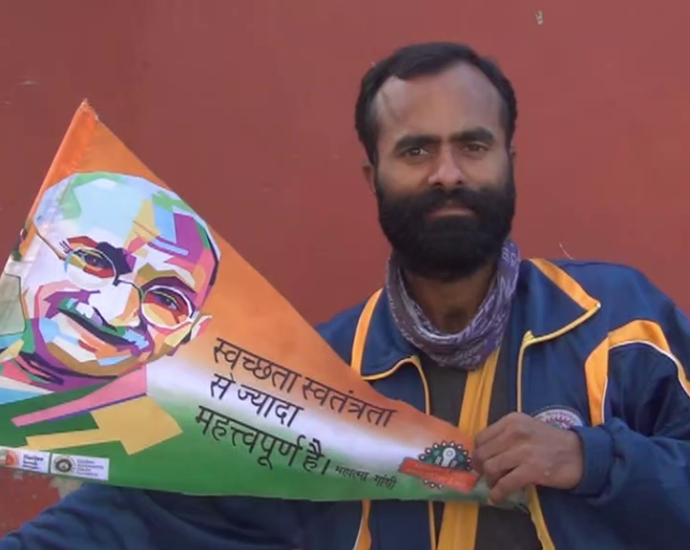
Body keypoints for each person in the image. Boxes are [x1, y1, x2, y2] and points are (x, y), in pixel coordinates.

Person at [2, 41, 690, 549]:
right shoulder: (318, 378)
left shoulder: (621, 326)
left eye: (473, 146)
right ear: (373, 176)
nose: (447, 173)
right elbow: (153, 514)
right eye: (416, 151)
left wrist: (594, 461)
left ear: (510, 159)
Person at [0, 171, 219, 453]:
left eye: (167, 300)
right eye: (93, 260)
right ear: (27, 245)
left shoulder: (152, 448)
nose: (116, 313)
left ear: (190, 333)